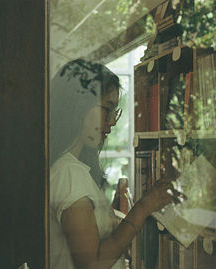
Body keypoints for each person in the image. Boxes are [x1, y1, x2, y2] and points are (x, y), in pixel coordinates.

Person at [49, 59, 183, 269]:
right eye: (107, 109)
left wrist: (109, 219)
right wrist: (144, 206)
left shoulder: (67, 168)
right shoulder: (69, 173)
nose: (112, 121)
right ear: (80, 104)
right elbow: (92, 264)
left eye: (115, 112)